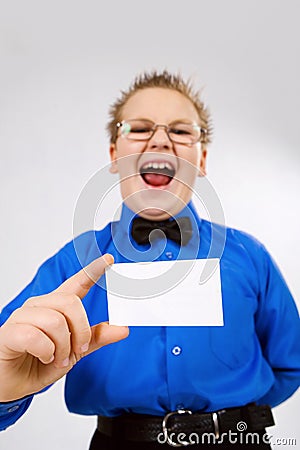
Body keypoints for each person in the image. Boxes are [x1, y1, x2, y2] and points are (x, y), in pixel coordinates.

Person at [0, 71, 299, 449]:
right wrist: (4, 391)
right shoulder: (72, 264)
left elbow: (290, 365)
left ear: (201, 158)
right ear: (114, 155)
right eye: (139, 129)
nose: (160, 140)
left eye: (181, 131)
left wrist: (231, 423)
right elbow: (7, 362)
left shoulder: (249, 257)